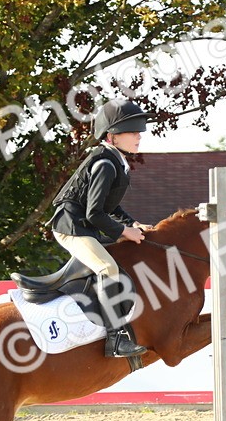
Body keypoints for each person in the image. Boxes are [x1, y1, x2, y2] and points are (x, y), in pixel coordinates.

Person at [47, 99, 153, 358]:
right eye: (132, 132)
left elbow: (110, 207)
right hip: (70, 226)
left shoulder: (116, 161)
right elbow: (95, 213)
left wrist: (132, 223)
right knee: (107, 268)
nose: (139, 136)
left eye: (139, 131)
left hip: (83, 224)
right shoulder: (105, 164)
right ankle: (115, 340)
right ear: (112, 137)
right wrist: (123, 232)